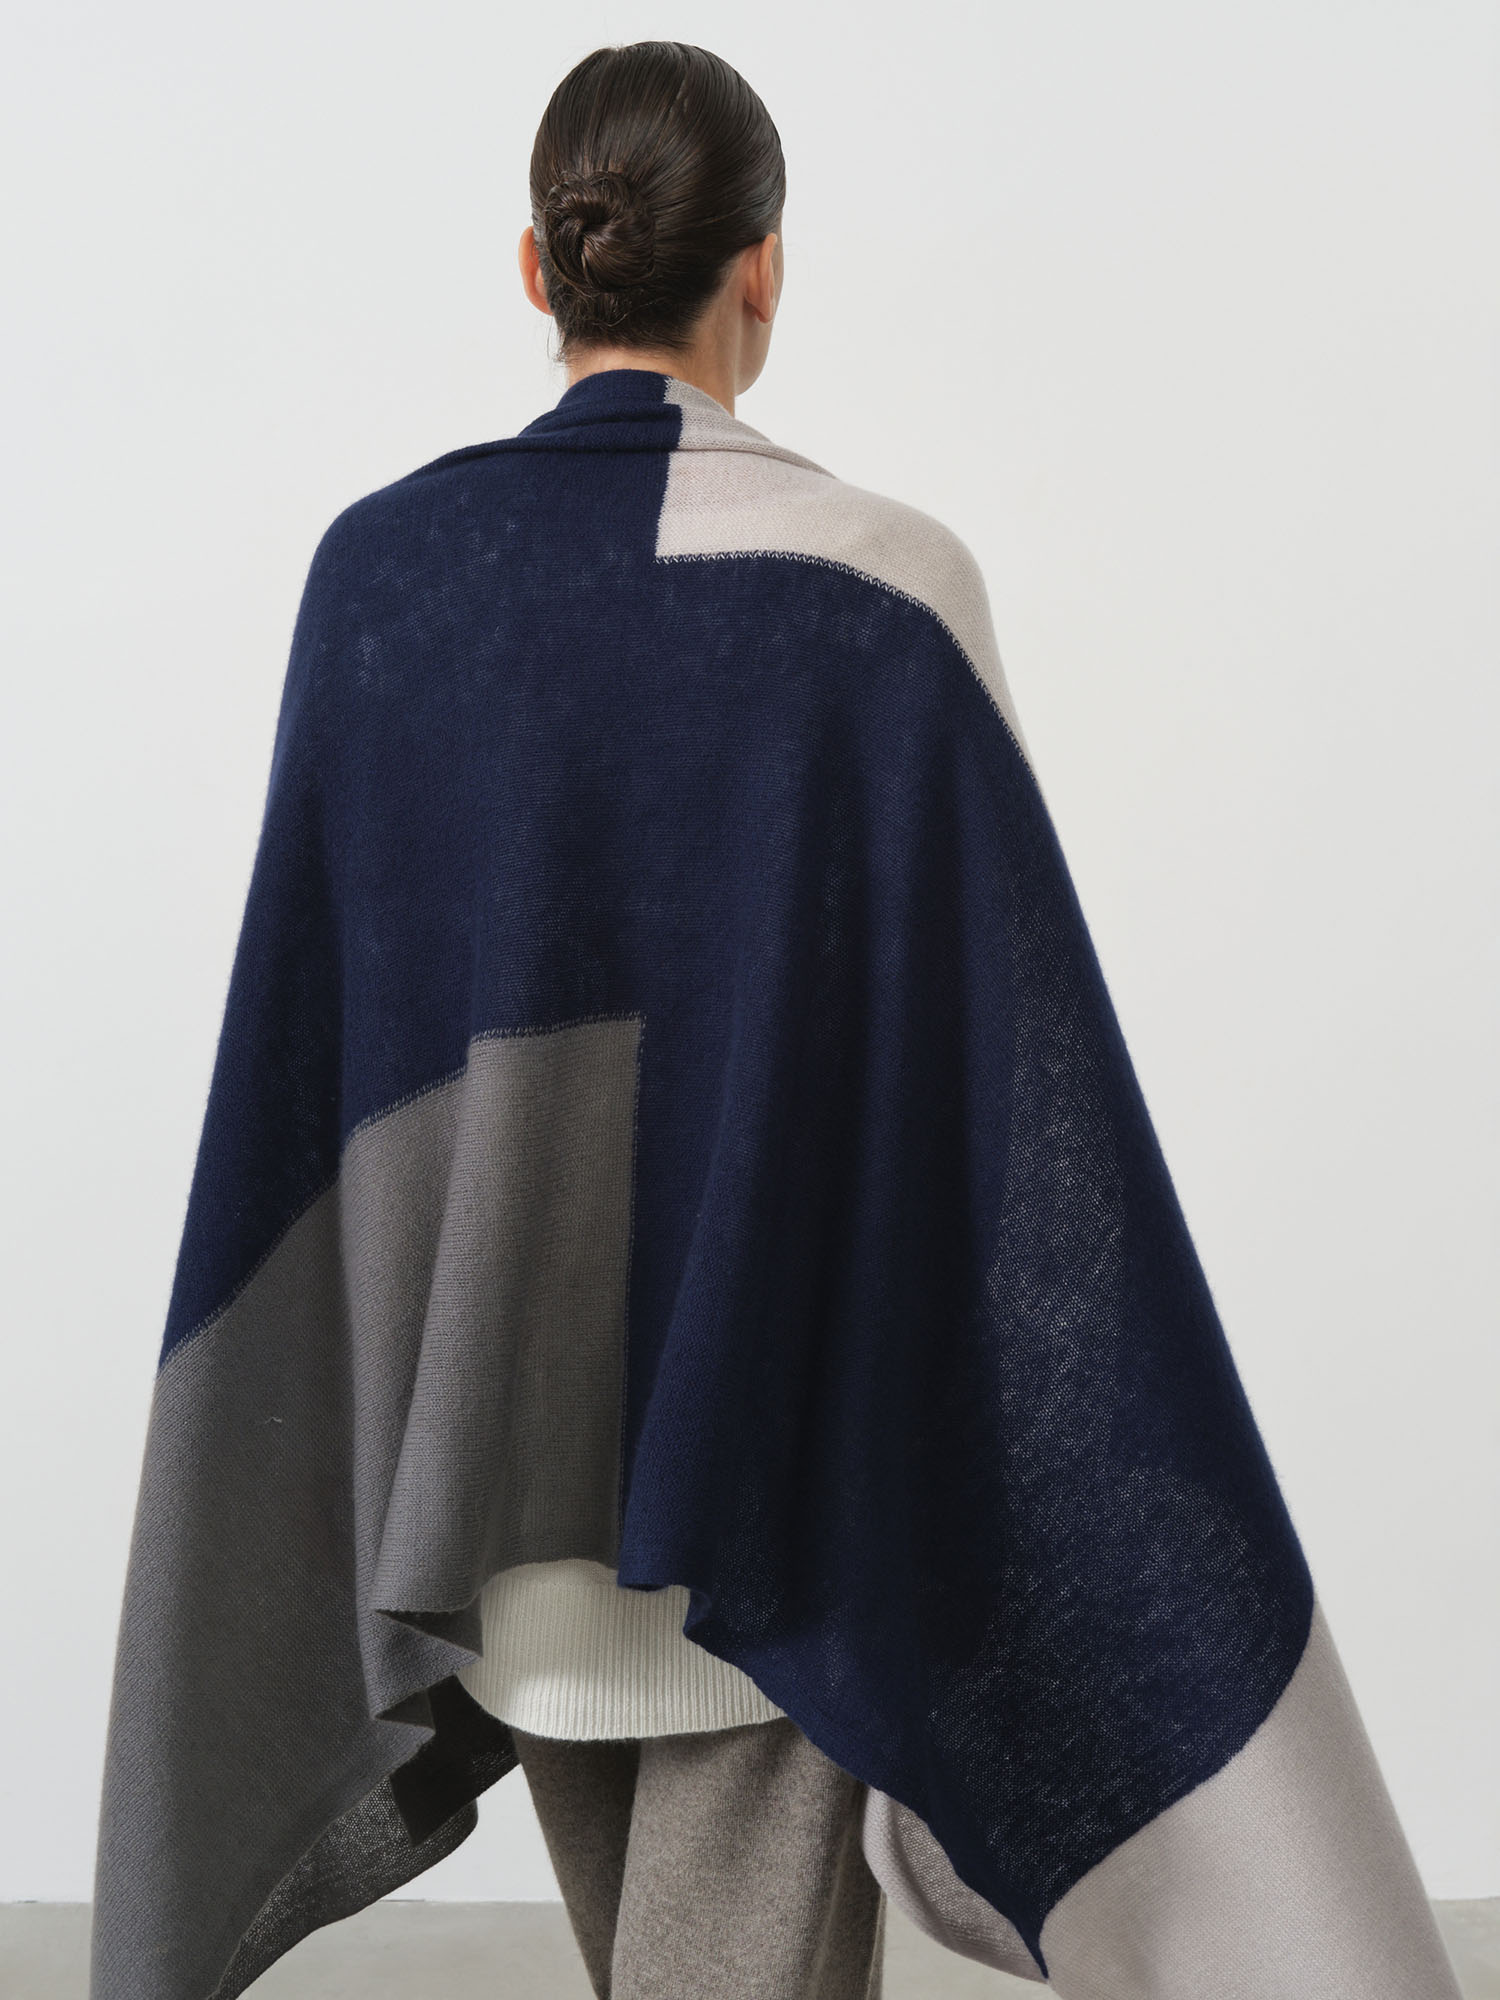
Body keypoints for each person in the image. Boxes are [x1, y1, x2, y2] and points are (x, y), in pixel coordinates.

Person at [89, 37, 1466, 2000]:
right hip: (783, 1486)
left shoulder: (381, 583)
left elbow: (327, 1066)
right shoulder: (885, 590)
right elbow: (996, 1091)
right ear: (766, 268)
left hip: (498, 1495)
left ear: (536, 267)